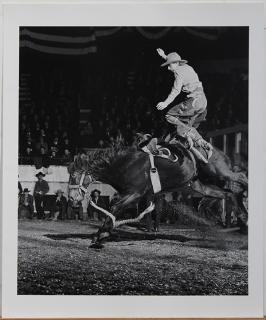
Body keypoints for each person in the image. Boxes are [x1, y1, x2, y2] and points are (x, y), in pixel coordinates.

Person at [155, 48, 213, 163]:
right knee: (186, 123)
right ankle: (202, 142)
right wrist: (165, 56)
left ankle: (187, 135)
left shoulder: (178, 72)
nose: (168, 68)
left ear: (175, 64)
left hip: (194, 102)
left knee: (170, 115)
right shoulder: (188, 67)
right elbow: (175, 61)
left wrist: (165, 103)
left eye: (169, 65)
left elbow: (176, 91)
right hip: (203, 101)